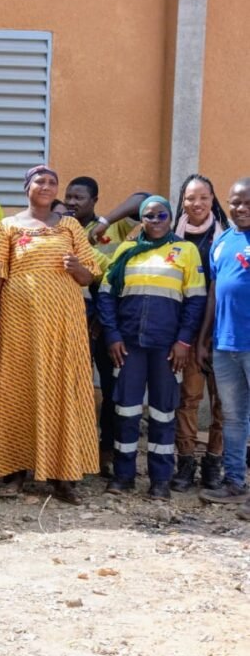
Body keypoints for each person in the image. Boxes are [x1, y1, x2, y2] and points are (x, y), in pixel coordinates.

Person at [0, 165, 100, 505]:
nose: (46, 186)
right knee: (17, 389)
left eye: (51, 182)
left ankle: (63, 477)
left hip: (64, 325)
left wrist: (78, 269)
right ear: (26, 186)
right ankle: (14, 472)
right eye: (39, 181)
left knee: (63, 389)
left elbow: (89, 277)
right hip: (20, 325)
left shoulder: (70, 226)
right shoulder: (8, 227)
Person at [96, 196, 205, 500]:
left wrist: (184, 341)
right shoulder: (126, 250)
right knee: (125, 411)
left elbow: (196, 300)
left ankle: (160, 479)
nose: (155, 221)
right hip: (128, 346)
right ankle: (123, 475)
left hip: (167, 348)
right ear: (141, 220)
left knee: (163, 413)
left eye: (161, 216)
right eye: (149, 216)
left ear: (171, 218)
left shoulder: (185, 250)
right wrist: (113, 336)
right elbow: (106, 296)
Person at [63, 176, 137, 477]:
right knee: (74, 390)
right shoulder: (61, 230)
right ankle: (75, 452)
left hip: (108, 322)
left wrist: (106, 221)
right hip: (74, 320)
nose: (71, 202)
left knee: (110, 388)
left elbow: (143, 198)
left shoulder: (113, 227)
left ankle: (106, 451)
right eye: (68, 196)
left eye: (78, 197)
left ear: (95, 200)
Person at [171, 174, 229, 491]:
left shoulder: (226, 238)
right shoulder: (173, 238)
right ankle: (185, 465)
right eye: (191, 198)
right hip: (188, 333)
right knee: (189, 398)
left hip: (223, 333)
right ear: (183, 201)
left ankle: (213, 466)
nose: (197, 204)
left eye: (203, 197)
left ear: (212, 199)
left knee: (222, 403)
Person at [198, 178, 250, 510]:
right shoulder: (223, 241)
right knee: (232, 417)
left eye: (246, 203)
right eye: (235, 202)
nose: (240, 208)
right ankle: (235, 484)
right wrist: (204, 339)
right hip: (225, 345)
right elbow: (215, 293)